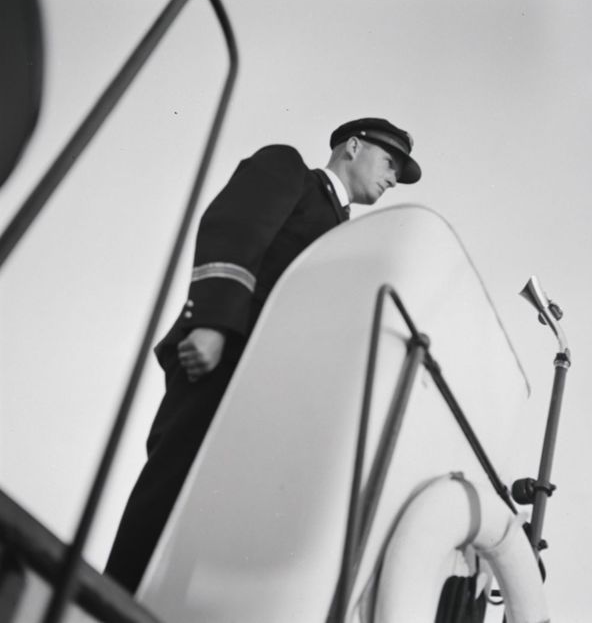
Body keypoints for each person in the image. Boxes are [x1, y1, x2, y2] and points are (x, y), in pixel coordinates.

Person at [104, 117, 422, 593]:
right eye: (390, 161)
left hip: (268, 392)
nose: (394, 178)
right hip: (227, 359)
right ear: (353, 147)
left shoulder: (348, 236)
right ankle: (106, 603)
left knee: (210, 520)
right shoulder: (291, 171)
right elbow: (237, 229)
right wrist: (213, 322)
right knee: (174, 488)